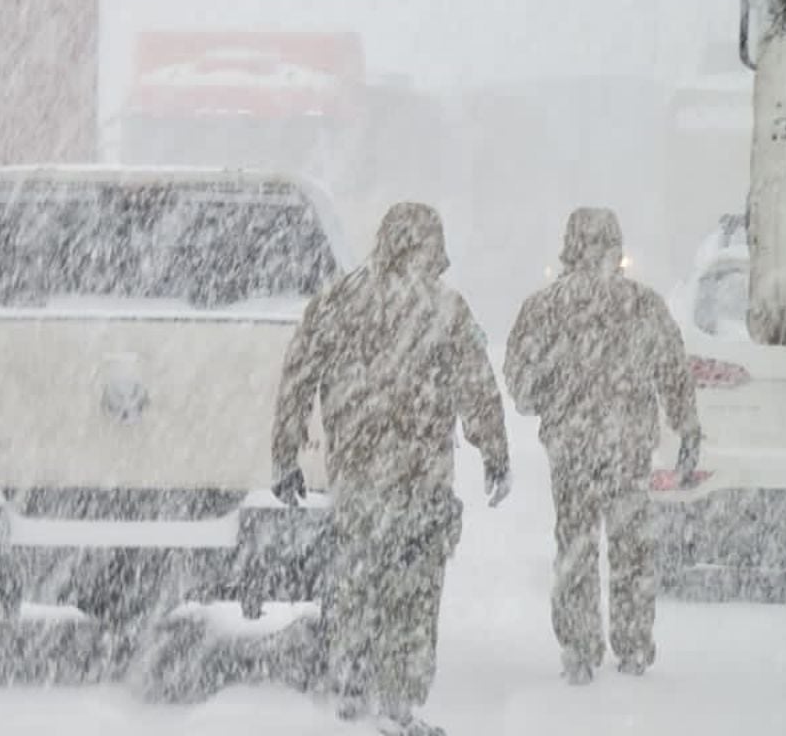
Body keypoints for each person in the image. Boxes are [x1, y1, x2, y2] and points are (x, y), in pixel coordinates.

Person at [272, 202, 511, 736]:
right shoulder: (446, 308)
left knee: (357, 581)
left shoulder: (338, 300)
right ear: (430, 247)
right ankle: (400, 696)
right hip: (422, 477)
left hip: (358, 475)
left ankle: (353, 684)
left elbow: (298, 376)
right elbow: (477, 386)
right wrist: (493, 450)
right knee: (416, 588)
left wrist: (285, 453)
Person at [504, 207, 700, 685]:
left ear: (568, 249)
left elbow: (521, 383)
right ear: (617, 248)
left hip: (571, 449)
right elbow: (673, 371)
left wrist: (553, 395)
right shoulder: (643, 305)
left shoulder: (543, 307)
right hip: (628, 445)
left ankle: (579, 649)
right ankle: (632, 646)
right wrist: (687, 428)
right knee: (632, 548)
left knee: (575, 546)